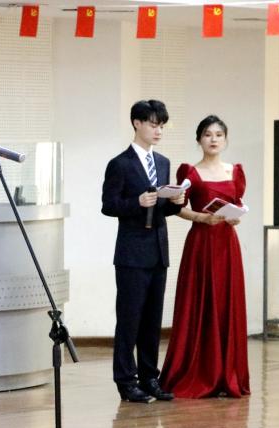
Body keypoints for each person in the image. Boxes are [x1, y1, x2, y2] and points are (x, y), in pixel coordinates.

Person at [101, 99, 186, 404]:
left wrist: (176, 202)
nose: (158, 130)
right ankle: (126, 381)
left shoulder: (162, 162)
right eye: (153, 124)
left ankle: (150, 378)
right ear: (137, 123)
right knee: (129, 320)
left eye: (161, 125)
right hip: (131, 254)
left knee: (152, 320)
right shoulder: (120, 164)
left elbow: (162, 209)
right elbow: (108, 205)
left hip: (158, 251)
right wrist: (135, 203)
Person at [160, 115, 250, 398]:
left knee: (226, 302)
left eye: (219, 135)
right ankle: (199, 371)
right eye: (208, 134)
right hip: (201, 243)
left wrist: (235, 217)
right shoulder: (190, 172)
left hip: (227, 245)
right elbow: (177, 207)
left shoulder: (235, 171)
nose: (213, 139)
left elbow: (237, 205)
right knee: (199, 302)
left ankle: (227, 374)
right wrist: (201, 217)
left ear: (225, 139)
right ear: (199, 139)